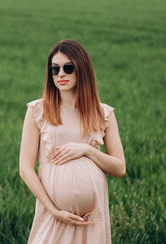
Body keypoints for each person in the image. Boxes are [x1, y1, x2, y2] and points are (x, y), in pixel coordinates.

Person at [19, 39, 126, 244]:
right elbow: (25, 168)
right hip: (53, 215)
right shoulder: (38, 111)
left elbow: (120, 169)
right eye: (55, 69)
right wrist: (53, 210)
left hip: (92, 218)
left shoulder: (103, 113)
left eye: (68, 68)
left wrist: (87, 150)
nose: (60, 74)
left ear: (82, 70)